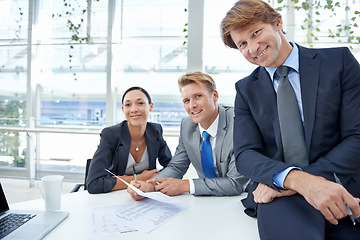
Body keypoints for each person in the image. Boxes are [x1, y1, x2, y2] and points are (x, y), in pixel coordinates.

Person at [220, 0, 360, 239]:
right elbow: (245, 154)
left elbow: (356, 137)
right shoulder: (245, 90)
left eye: (256, 33)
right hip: (281, 195)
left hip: (343, 181)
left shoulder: (339, 62)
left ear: (278, 23)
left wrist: (309, 180)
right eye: (242, 43)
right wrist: (296, 181)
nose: (252, 48)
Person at [127, 72, 249, 199]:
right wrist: (150, 186)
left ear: (215, 96)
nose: (192, 105)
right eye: (186, 100)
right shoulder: (187, 124)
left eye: (198, 96)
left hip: (242, 198)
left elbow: (235, 183)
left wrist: (185, 185)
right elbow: (177, 167)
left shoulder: (238, 123)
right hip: (207, 199)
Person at [86, 86, 172, 194]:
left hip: (146, 195)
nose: (134, 109)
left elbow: (171, 167)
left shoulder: (155, 131)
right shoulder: (111, 135)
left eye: (140, 103)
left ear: (151, 106)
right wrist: (140, 177)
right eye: (128, 105)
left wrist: (152, 181)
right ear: (123, 109)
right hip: (115, 197)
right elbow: (93, 184)